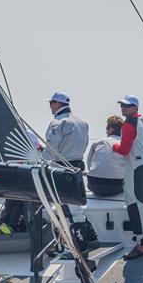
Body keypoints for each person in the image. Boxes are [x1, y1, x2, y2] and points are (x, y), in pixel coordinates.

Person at [43, 91, 96, 253]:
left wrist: (41, 163)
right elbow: (85, 144)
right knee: (75, 207)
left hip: (61, 169)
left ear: (58, 104)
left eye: (51, 103)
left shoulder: (58, 123)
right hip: (77, 166)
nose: (50, 106)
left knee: (68, 210)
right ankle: (92, 238)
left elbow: (50, 150)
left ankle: (80, 248)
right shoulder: (82, 122)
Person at [111, 94, 143, 259]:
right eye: (122, 105)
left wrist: (114, 147)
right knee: (141, 203)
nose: (123, 108)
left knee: (134, 204)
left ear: (135, 107)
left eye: (127, 106)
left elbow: (124, 150)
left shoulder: (128, 124)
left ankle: (141, 243)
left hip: (135, 169)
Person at [86, 115, 125, 197]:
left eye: (107, 129)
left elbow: (89, 163)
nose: (106, 132)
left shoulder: (98, 143)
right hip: (115, 186)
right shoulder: (125, 145)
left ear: (111, 129)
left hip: (93, 185)